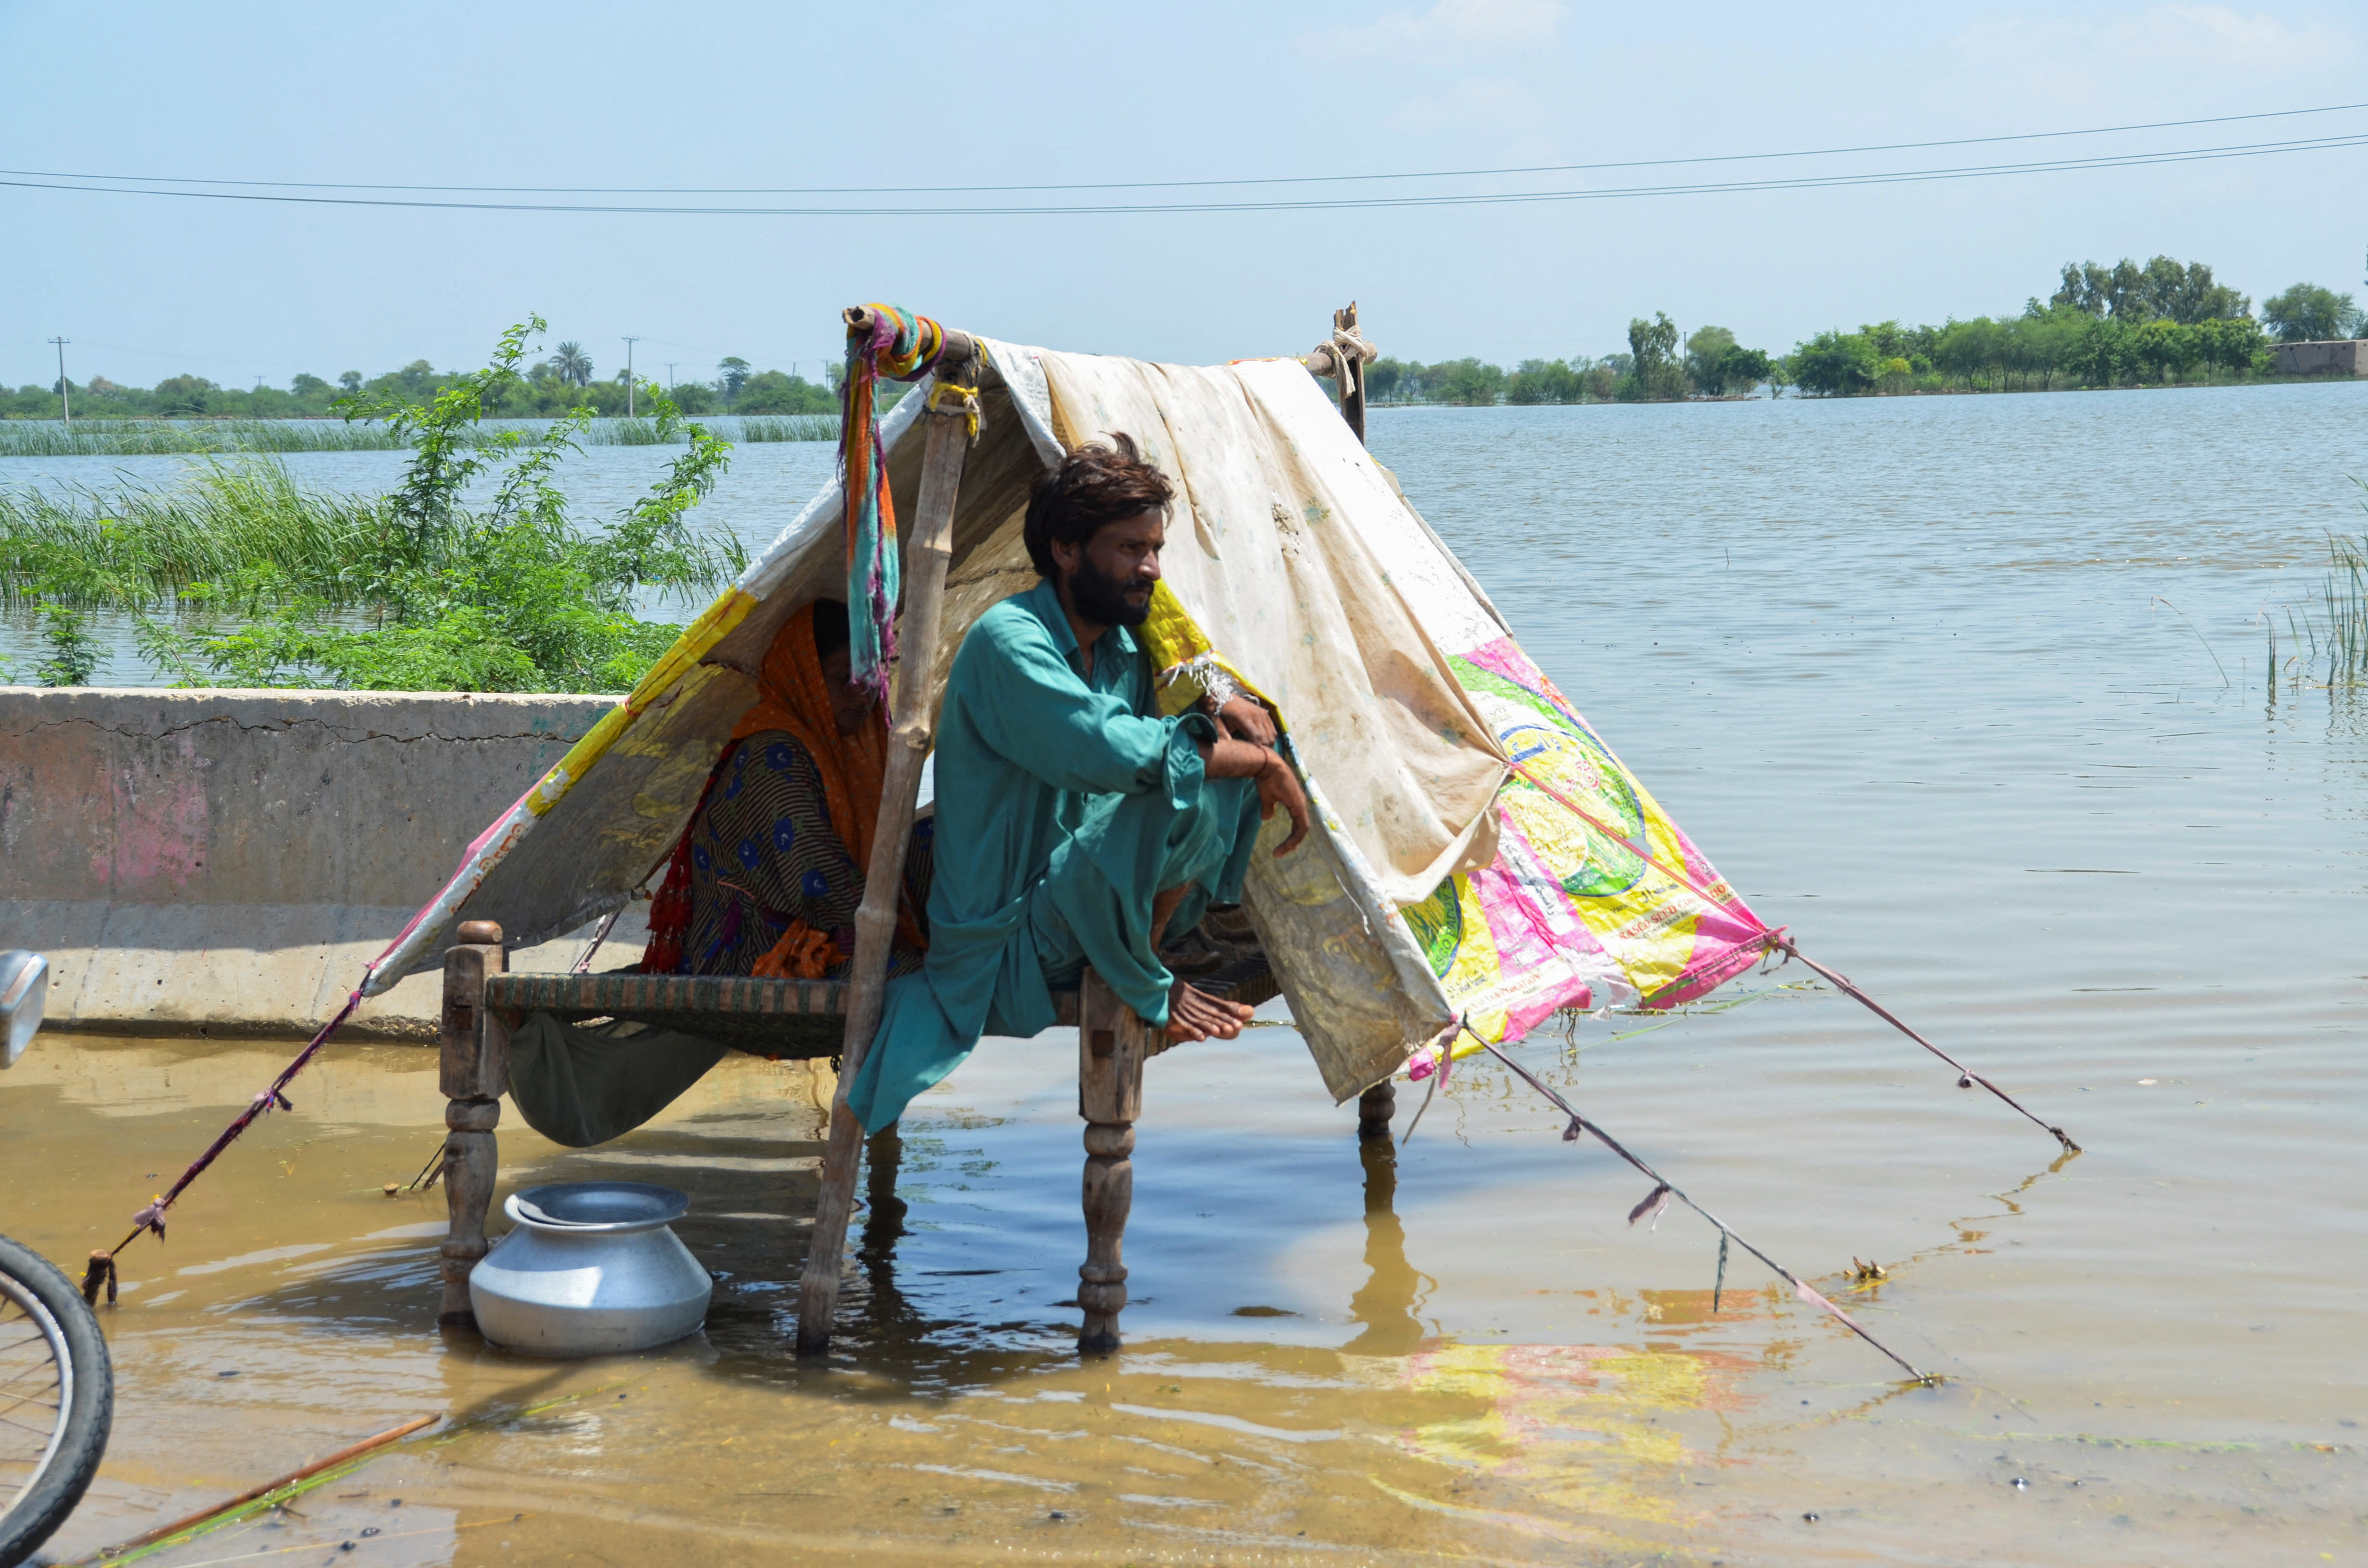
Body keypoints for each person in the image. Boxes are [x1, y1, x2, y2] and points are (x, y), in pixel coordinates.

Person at [846, 434, 1309, 1132]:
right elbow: (1115, 752)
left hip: (1084, 897)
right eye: (1129, 550)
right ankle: (1136, 968)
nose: (1150, 569)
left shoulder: (1125, 644)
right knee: (1181, 772)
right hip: (1012, 940)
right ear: (1066, 549)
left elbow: (1191, 676)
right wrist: (1263, 768)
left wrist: (1234, 718)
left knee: (1240, 742)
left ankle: (1145, 945)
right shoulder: (1010, 642)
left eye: (1155, 550)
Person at [642, 599, 927, 980]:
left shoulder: (848, 754)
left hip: (817, 932)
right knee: (917, 982)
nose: (864, 697)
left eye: (871, 682)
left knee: (930, 839)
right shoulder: (774, 754)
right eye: (845, 679)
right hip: (751, 949)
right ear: (803, 675)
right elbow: (815, 876)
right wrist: (894, 933)